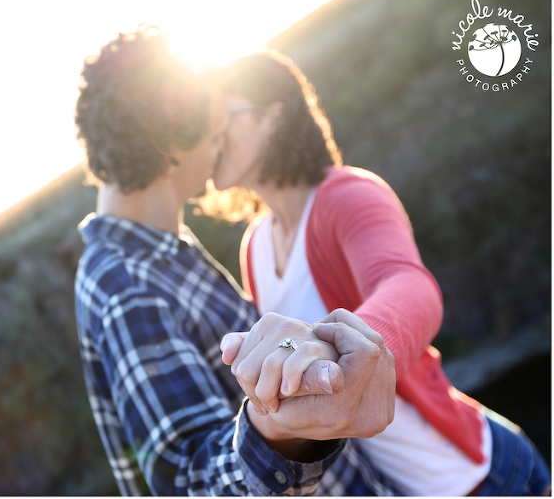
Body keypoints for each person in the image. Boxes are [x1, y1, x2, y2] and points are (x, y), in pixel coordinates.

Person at [73, 25, 402, 495]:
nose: (220, 149)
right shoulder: (129, 287)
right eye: (213, 136)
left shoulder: (161, 252)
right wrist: (275, 421)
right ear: (171, 145)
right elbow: (190, 481)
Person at [212, 49, 551, 496]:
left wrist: (355, 348)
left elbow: (408, 284)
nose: (211, 133)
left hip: (482, 477)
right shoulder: (254, 247)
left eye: (224, 115)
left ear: (273, 116)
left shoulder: (348, 195)